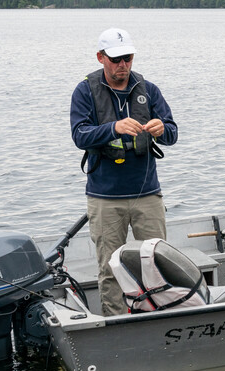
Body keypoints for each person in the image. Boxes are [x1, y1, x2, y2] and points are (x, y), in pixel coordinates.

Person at [70, 27, 178, 315]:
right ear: (100, 57)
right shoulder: (84, 91)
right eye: (116, 59)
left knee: (156, 263)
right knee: (110, 269)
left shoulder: (149, 89)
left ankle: (159, 318)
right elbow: (79, 135)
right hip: (105, 198)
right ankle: (117, 326)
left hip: (147, 195)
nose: (123, 65)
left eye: (128, 58)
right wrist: (113, 128)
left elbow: (172, 133)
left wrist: (161, 129)